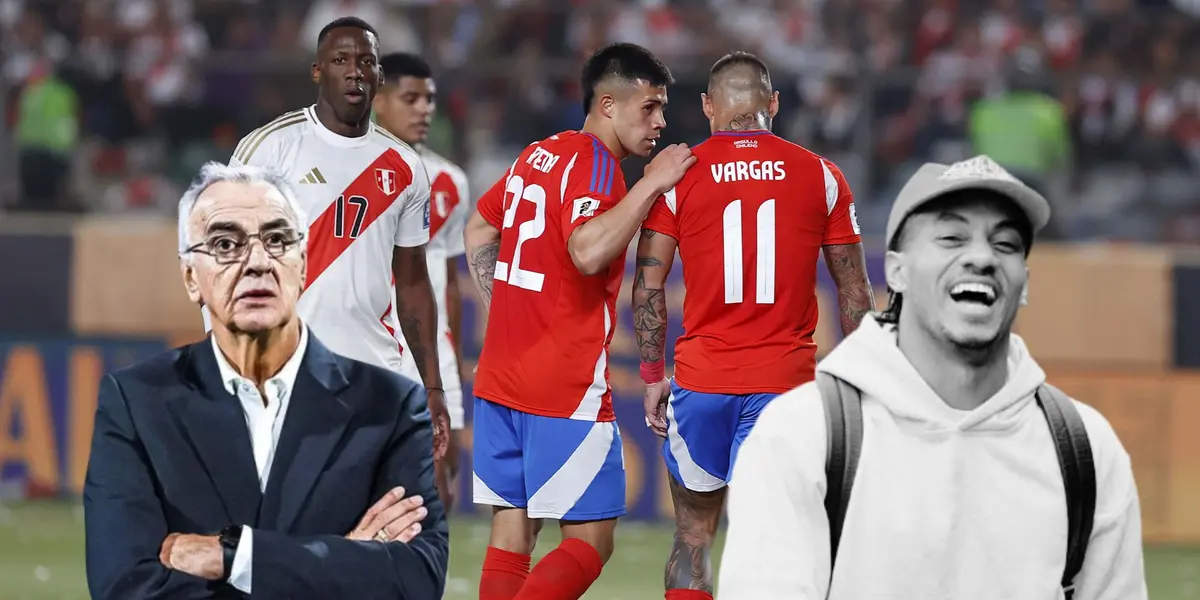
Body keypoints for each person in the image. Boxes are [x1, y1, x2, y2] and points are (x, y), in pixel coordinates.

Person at [715, 155, 1146, 600]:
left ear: (1025, 281)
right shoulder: (802, 435)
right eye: (951, 238)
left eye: (1005, 243)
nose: (982, 257)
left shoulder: (1085, 449)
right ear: (896, 272)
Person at [84, 162, 448, 600]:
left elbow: (417, 579)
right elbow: (124, 587)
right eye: (225, 244)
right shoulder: (136, 403)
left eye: (277, 240)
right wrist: (340, 560)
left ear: (303, 265)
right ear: (191, 278)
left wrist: (236, 558)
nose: (257, 262)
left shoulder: (389, 406)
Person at [633, 51, 875, 600]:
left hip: (703, 382)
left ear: (708, 106)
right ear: (774, 104)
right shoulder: (822, 174)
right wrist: (866, 383)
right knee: (777, 542)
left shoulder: (678, 175)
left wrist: (651, 375)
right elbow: (855, 292)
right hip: (785, 389)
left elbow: (648, 286)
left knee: (693, 536)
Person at [462, 42, 695, 600]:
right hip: (561, 384)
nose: (660, 123)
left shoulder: (537, 153)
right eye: (650, 107)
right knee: (592, 542)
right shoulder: (598, 166)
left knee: (512, 536)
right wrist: (652, 183)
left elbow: (479, 228)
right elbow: (587, 251)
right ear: (608, 105)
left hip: (500, 375)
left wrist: (506, 309)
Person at [223, 16, 451, 459]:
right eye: (340, 60)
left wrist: (432, 386)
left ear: (379, 77)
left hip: (374, 375)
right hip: (284, 371)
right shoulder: (269, 149)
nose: (354, 71)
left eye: (366, 61)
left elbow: (413, 282)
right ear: (317, 70)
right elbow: (221, 259)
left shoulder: (405, 167)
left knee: (376, 504)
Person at [372, 52, 470, 511]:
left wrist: (453, 358)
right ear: (378, 100)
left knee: (443, 472)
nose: (424, 110)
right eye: (410, 98)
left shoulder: (451, 181)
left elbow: (448, 280)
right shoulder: (352, 172)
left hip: (432, 347)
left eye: (429, 99)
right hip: (374, 339)